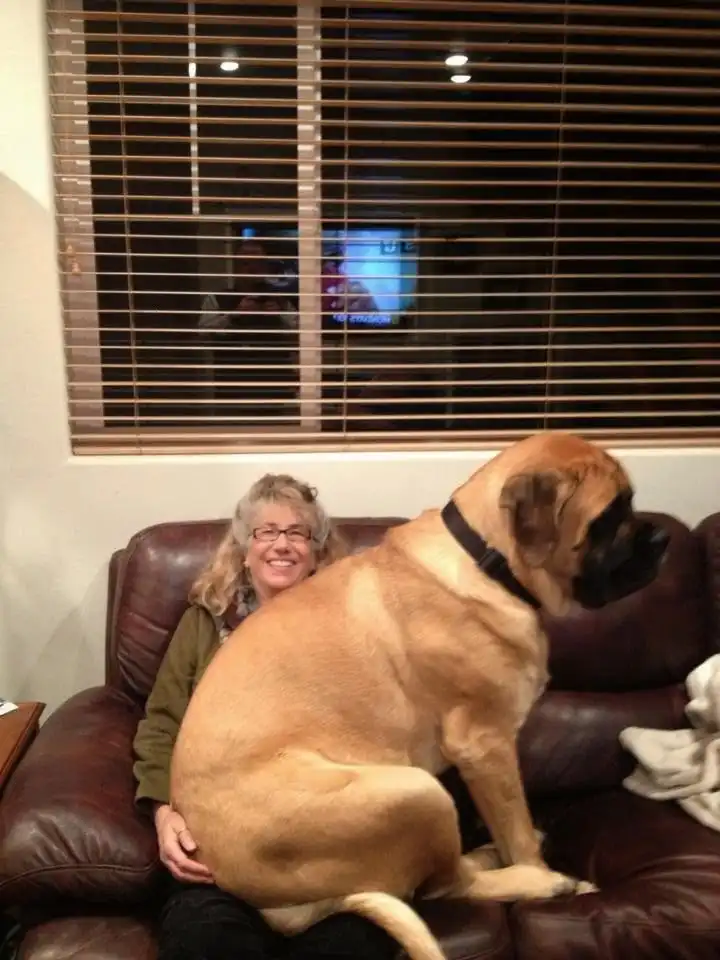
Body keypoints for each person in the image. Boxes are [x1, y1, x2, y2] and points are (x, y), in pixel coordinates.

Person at [133, 474, 398, 960]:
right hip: (222, 852)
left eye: (298, 533)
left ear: (317, 553)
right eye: (266, 531)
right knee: (205, 941)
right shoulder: (204, 623)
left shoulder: (353, 624)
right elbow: (163, 724)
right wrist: (163, 813)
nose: (282, 545)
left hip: (327, 853)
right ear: (244, 549)